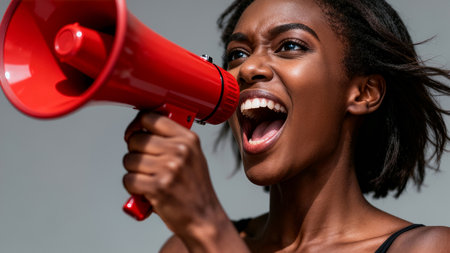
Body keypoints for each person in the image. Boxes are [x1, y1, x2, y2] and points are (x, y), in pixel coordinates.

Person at [122, 0, 450, 252]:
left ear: (363, 93)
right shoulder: (182, 248)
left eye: (290, 46)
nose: (248, 68)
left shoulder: (425, 247)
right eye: (237, 54)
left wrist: (208, 229)